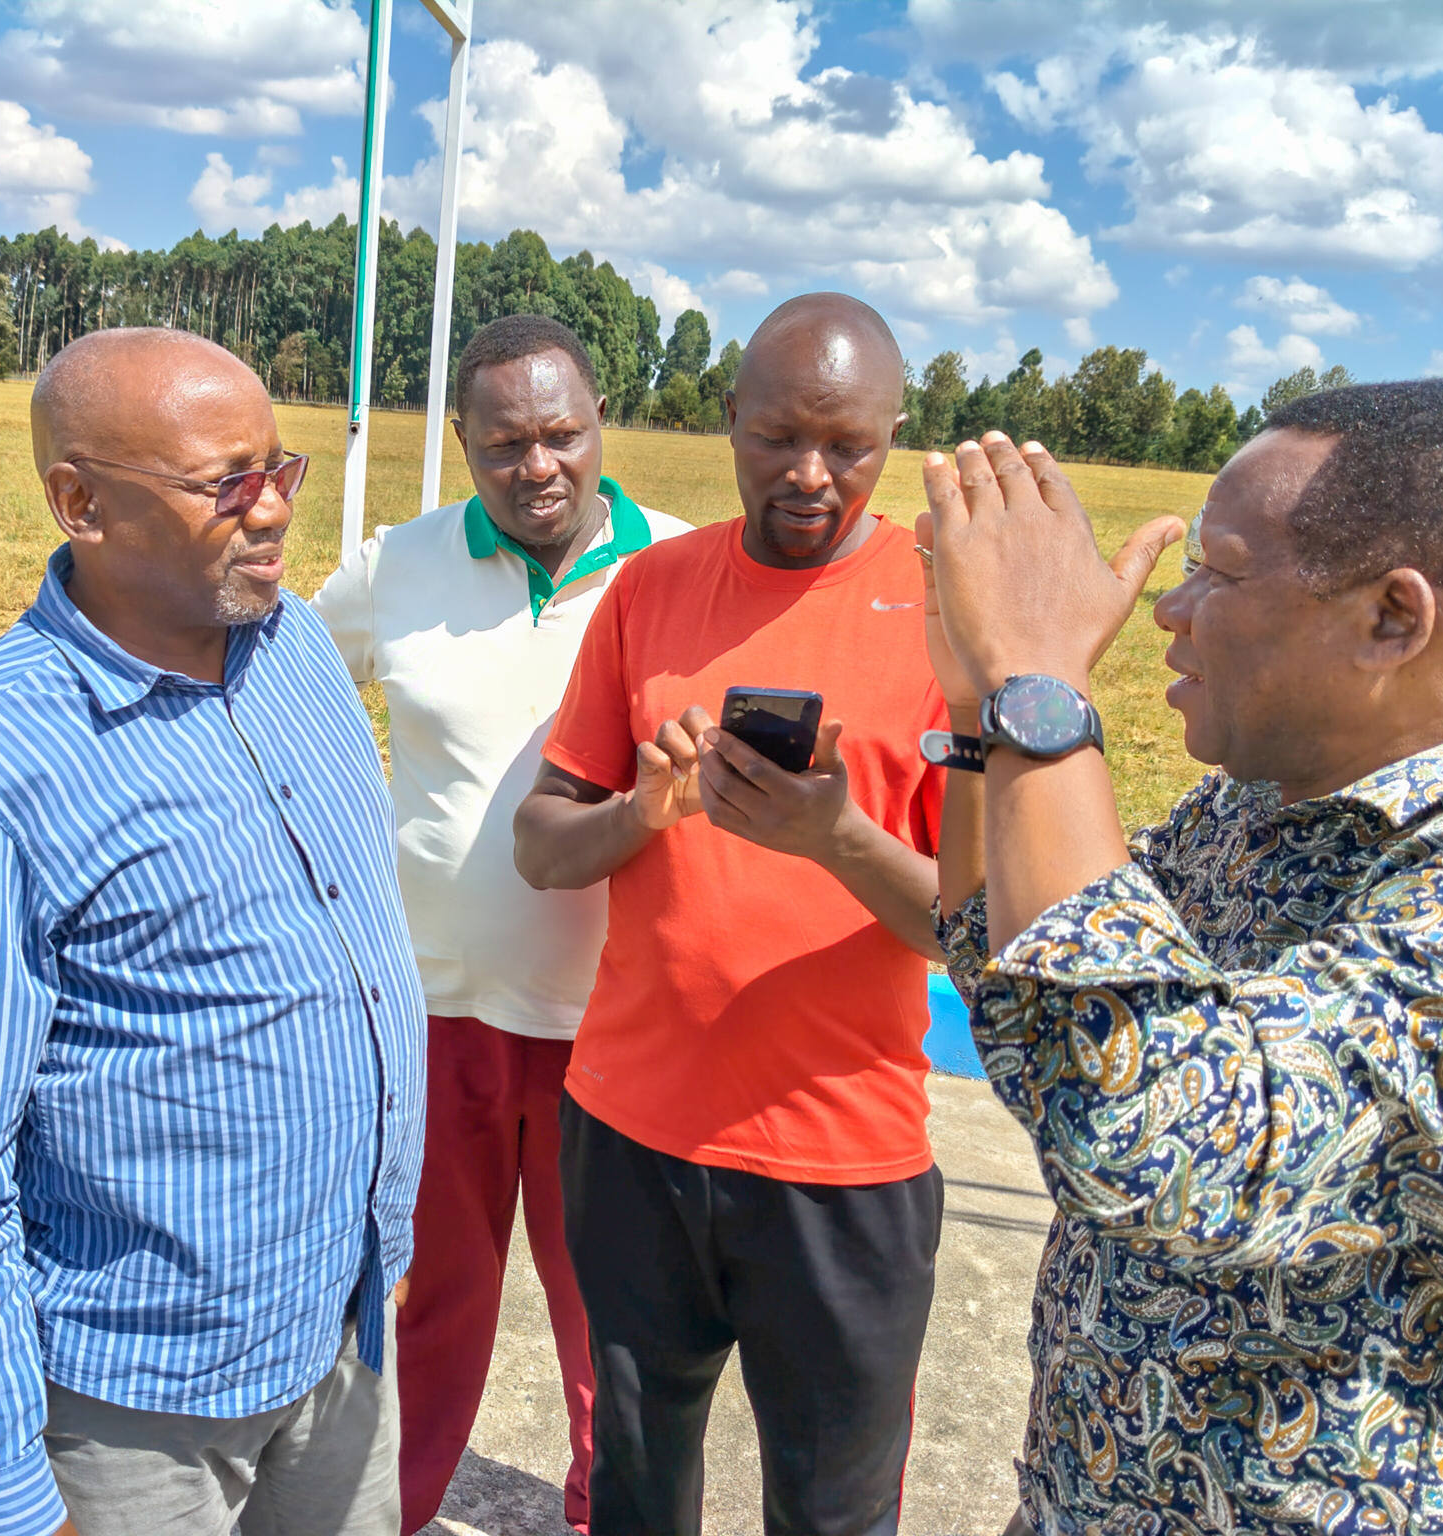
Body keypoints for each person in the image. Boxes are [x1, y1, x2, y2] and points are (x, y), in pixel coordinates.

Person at [919, 381, 1443, 1529]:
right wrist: (979, 716)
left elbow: (1163, 1137)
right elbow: (1026, 976)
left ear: (1392, 620)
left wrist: (1041, 685)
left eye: (1219, 570)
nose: (1171, 607)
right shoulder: (1259, 802)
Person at [0, 327, 424, 1536]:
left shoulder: (301, 653)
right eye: (228, 483)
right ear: (80, 502)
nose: (272, 510)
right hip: (139, 1405)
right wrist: (13, 1502)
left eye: (283, 469)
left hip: (346, 1329)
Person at [513, 292, 951, 1536]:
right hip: (631, 1140)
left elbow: (979, 926)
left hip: (841, 1163)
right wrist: (639, 815)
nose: (810, 475)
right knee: (638, 1487)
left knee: (831, 1509)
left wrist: (838, 838)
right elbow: (541, 845)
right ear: (727, 422)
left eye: (849, 446)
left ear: (894, 436)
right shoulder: (650, 588)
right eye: (775, 438)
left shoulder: (940, 603)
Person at [312, 313, 689, 1535]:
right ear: (464, 445)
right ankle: (395, 1513)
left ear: (600, 423)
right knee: (426, 1308)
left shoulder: (681, 572)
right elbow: (279, 688)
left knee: (616, 1324)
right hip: (435, 1018)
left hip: (617, 1030)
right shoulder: (397, 567)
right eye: (504, 444)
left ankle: (608, 1514)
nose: (538, 467)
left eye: (562, 435)